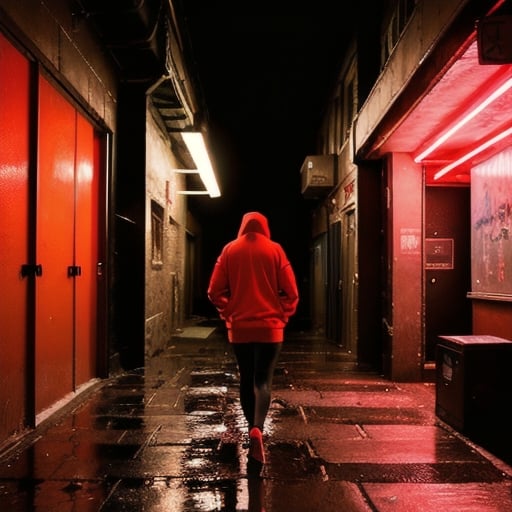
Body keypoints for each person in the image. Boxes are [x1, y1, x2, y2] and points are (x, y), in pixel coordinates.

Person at [207, 211, 299, 471]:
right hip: (270, 329)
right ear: (264, 228)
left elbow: (214, 291)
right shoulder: (275, 250)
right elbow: (291, 292)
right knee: (263, 380)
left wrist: (229, 310)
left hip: (240, 328)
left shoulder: (229, 250)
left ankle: (251, 430)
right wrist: (282, 313)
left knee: (246, 377)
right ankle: (258, 428)